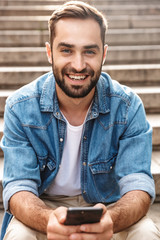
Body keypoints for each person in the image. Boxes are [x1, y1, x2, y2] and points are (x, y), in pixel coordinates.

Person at [0, 1, 160, 239]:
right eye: (66, 50)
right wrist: (49, 220)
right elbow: (18, 187)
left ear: (104, 54)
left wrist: (110, 219)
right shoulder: (20, 107)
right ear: (49, 52)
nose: (78, 64)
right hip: (44, 205)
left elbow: (138, 185)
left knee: (146, 232)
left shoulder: (127, 106)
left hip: (109, 206)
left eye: (89, 51)